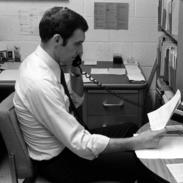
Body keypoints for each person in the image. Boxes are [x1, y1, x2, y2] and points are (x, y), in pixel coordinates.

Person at [13, 7, 166, 183]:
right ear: (57, 40)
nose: (81, 51)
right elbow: (82, 144)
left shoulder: (45, 63)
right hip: (59, 162)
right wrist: (137, 144)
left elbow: (75, 101)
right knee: (142, 161)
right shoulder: (39, 82)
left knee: (131, 129)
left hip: (68, 144)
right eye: (77, 44)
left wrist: (76, 72)